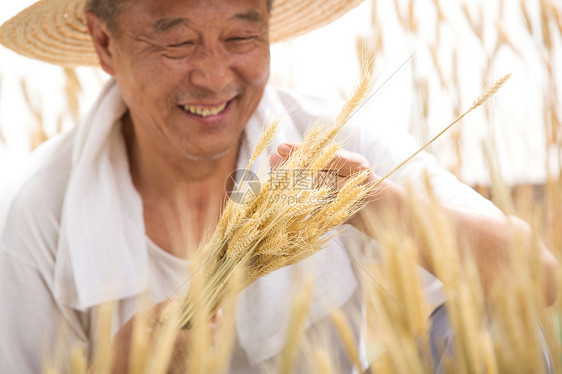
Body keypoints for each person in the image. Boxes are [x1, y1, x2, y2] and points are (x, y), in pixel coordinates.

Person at [0, 0, 557, 373]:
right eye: (177, 44)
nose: (215, 77)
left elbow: (539, 280)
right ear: (104, 43)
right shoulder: (34, 216)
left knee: (488, 304)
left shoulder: (331, 140)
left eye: (241, 36)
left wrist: (369, 202)